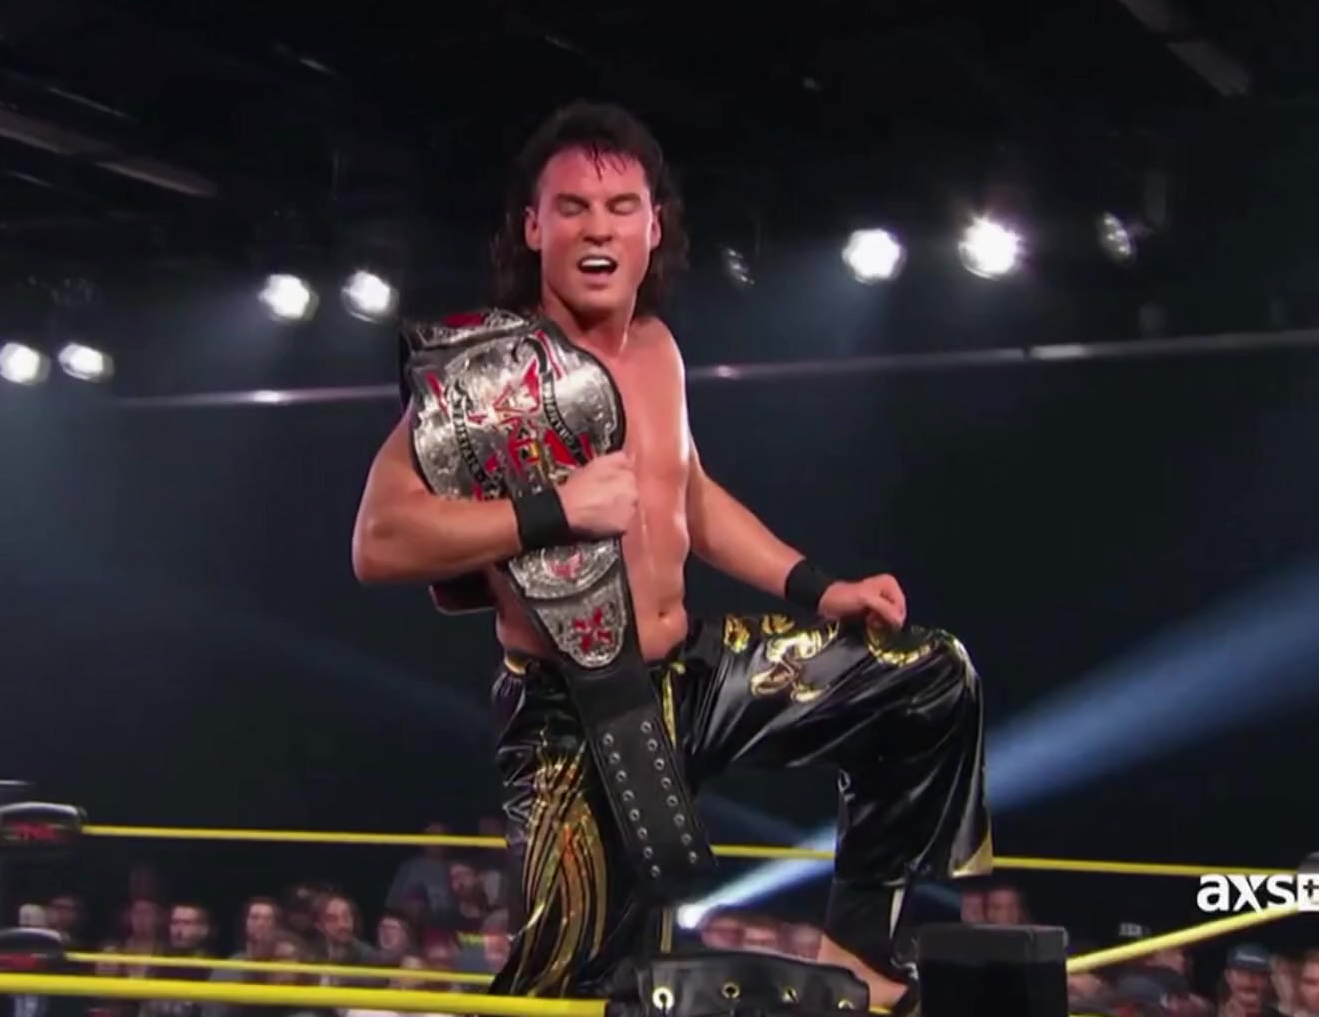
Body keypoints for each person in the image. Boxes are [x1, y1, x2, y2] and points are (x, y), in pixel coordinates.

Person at [351, 101, 990, 1011]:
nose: (597, 228)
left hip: (690, 677)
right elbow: (378, 541)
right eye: (572, 207)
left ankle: (863, 959)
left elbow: (689, 495)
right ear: (533, 228)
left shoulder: (658, 349)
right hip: (572, 710)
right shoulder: (492, 374)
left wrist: (820, 588)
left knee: (927, 680)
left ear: (654, 227)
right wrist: (551, 510)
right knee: (573, 993)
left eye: (621, 208)